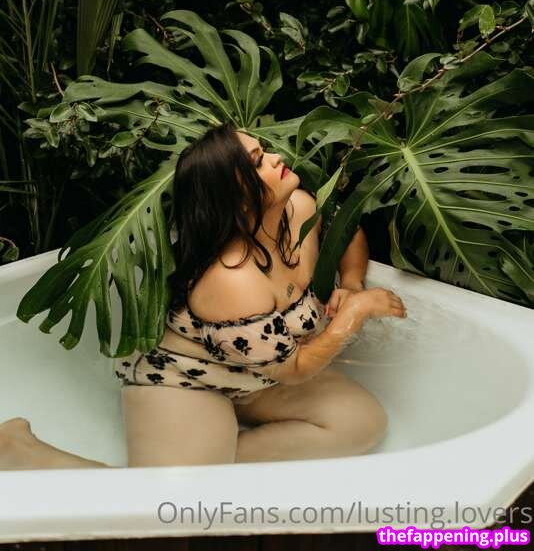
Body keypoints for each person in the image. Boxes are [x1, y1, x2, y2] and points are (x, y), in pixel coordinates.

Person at [0, 121, 406, 469]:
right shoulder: (232, 280)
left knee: (362, 424)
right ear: (234, 198)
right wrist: (354, 312)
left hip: (257, 372)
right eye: (257, 163)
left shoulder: (298, 207)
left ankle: (212, 461)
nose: (276, 159)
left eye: (263, 151)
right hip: (187, 380)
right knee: (169, 507)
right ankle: (23, 451)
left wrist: (352, 283)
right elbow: (297, 369)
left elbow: (344, 230)